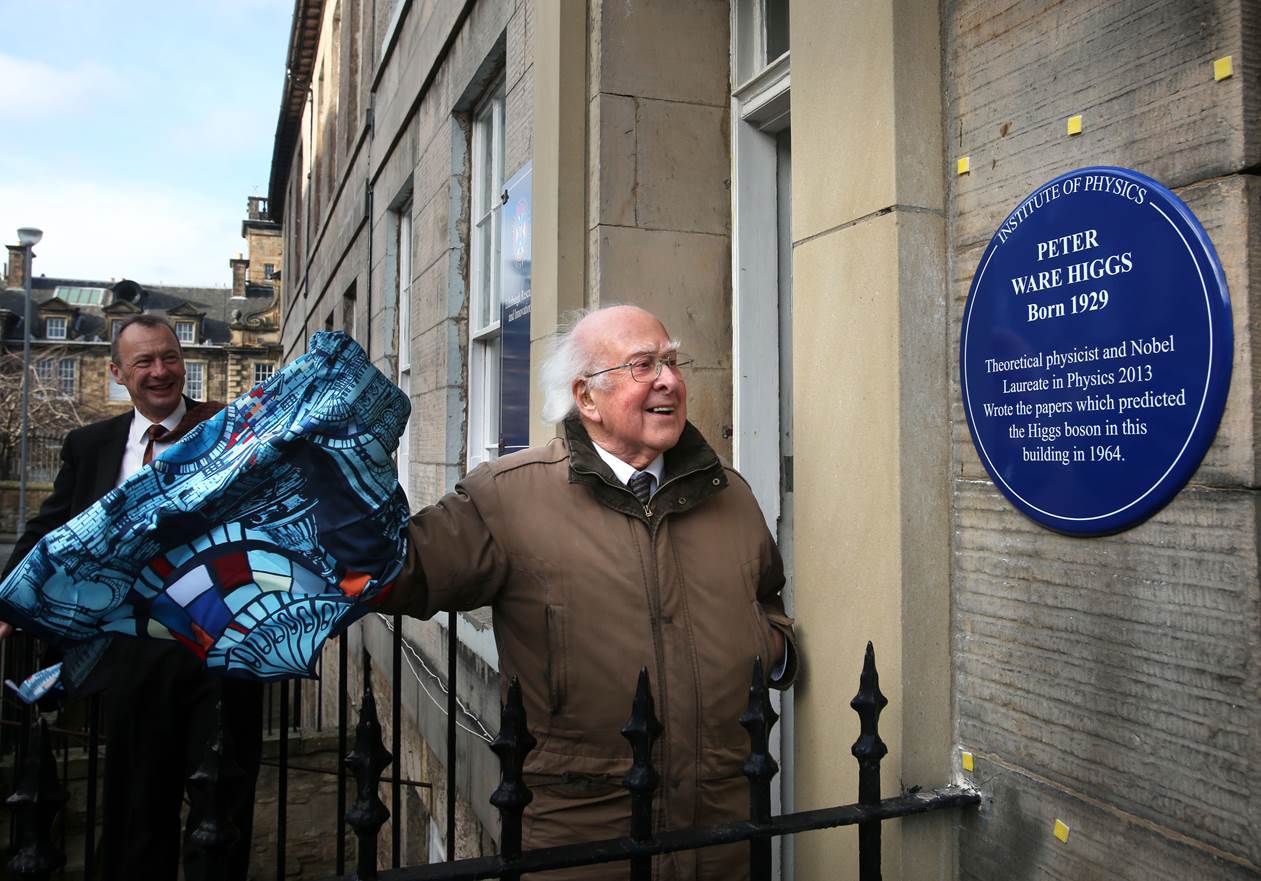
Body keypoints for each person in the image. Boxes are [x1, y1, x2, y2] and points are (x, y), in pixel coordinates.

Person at [380, 305, 797, 880]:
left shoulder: (731, 495)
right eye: (643, 364)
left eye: (672, 362)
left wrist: (770, 645)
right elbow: (401, 571)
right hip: (583, 839)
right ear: (588, 398)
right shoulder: (507, 498)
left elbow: (767, 596)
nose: (670, 381)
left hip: (722, 833)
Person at [1, 315, 262, 881]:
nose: (161, 371)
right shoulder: (90, 446)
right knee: (136, 817)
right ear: (118, 373)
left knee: (220, 819)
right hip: (132, 654)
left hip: (220, 649)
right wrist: (9, 603)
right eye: (144, 362)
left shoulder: (230, 433)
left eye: (169, 357)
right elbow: (50, 533)